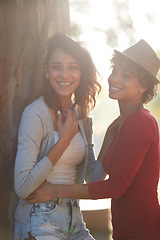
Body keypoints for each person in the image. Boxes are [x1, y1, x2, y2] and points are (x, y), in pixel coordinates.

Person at [27, 39, 160, 240]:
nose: (114, 79)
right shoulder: (123, 123)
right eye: (115, 71)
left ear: (143, 85)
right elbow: (97, 176)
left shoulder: (140, 122)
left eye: (126, 76)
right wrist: (109, 133)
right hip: (126, 230)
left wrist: (54, 190)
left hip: (142, 230)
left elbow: (115, 187)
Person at [14, 32, 106, 240]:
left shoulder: (82, 118)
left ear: (81, 72)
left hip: (75, 220)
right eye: (57, 67)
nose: (64, 75)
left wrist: (110, 138)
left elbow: (93, 179)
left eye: (72, 67)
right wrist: (63, 141)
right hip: (38, 219)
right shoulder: (35, 113)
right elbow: (23, 186)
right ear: (47, 72)